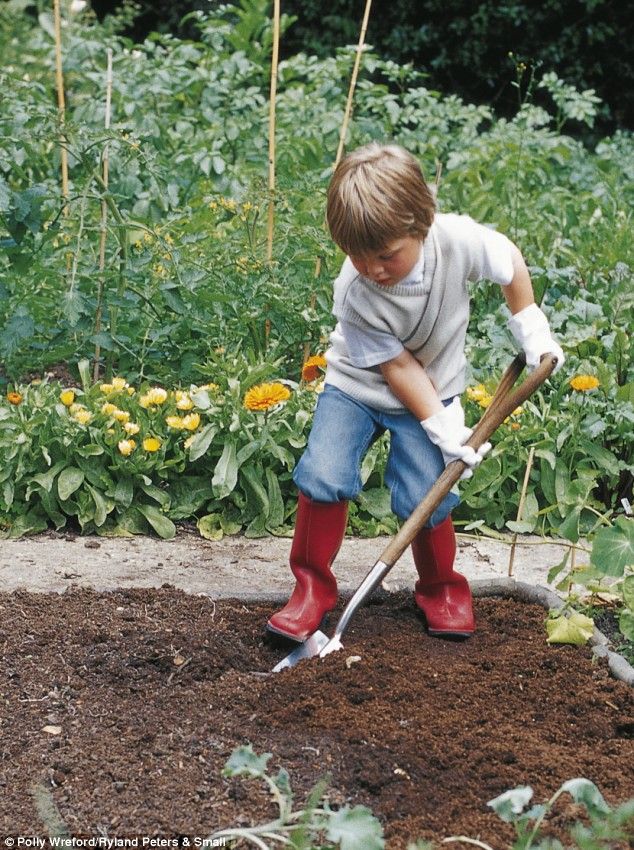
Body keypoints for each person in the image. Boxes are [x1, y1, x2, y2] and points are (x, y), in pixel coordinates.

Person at [266, 142, 564, 643]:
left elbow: (509, 260)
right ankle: (311, 591)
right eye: (356, 256)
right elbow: (398, 368)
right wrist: (446, 428)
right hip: (356, 387)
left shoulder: (457, 241)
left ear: (420, 224)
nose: (372, 269)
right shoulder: (355, 291)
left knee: (430, 492)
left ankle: (442, 588)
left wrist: (529, 324)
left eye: (385, 255)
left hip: (437, 383)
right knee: (323, 473)